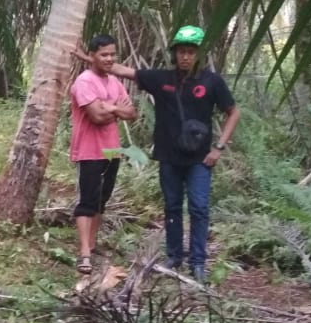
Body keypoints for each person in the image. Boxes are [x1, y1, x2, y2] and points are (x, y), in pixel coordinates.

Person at [99, 25, 240, 282]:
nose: (185, 56)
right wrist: (95, 59)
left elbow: (233, 112)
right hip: (168, 157)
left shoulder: (212, 81)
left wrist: (219, 147)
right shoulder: (161, 79)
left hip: (200, 159)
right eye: (181, 52)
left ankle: (198, 261)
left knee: (199, 208)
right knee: (172, 207)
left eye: (190, 52)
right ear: (174, 54)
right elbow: (122, 70)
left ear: (198, 54)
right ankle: (174, 256)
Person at [70, 34, 138, 274]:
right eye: (104, 54)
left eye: (112, 54)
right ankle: (84, 253)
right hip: (89, 150)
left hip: (112, 150)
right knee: (87, 201)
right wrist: (114, 110)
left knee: (102, 200)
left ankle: (93, 243)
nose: (109, 59)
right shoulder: (84, 82)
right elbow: (96, 117)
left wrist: (109, 107)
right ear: (92, 56)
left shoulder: (115, 82)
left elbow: (132, 113)